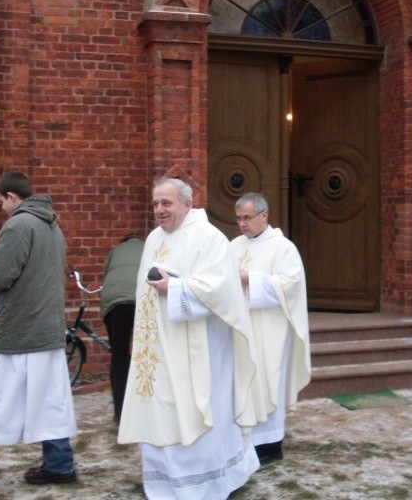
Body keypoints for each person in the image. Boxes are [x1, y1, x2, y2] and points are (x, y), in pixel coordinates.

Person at [118, 177, 260, 499]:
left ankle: (204, 483)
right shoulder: (154, 238)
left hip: (199, 347)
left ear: (187, 203)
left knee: (191, 409)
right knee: (160, 407)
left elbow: (221, 290)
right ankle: (162, 480)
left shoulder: (209, 238)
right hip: (158, 349)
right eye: (155, 204)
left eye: (166, 203)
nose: (159, 210)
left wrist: (177, 288)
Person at [0, 171, 78, 484]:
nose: (1, 208)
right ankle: (60, 465)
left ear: (10, 196)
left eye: (1, 202)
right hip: (47, 329)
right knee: (51, 401)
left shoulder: (19, 224)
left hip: (18, 329)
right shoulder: (52, 226)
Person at [230, 192, 311, 465]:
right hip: (242, 329)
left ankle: (269, 444)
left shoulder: (283, 247)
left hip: (270, 330)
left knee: (267, 381)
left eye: (247, 218)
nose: (242, 224)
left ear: (264, 215)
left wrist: (250, 279)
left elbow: (290, 286)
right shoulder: (233, 247)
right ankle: (242, 442)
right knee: (243, 381)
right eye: (239, 218)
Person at [100, 232, 144, 424]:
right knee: (147, 355)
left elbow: (106, 275)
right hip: (142, 300)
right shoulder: (149, 246)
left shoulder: (115, 251)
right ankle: (145, 410)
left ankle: (120, 415)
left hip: (115, 303)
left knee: (119, 356)